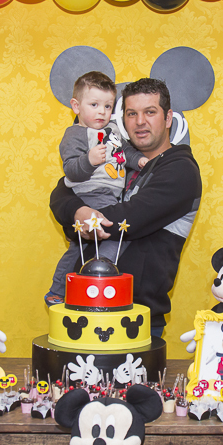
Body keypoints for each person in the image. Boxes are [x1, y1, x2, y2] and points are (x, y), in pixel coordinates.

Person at [49, 78, 202, 337]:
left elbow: (128, 219)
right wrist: (78, 211)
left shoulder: (180, 170)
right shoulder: (120, 159)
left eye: (150, 112)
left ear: (168, 118)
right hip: (83, 308)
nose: (140, 121)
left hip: (136, 317)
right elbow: (61, 191)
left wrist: (83, 216)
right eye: (131, 114)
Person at [45, 71, 147, 305]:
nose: (102, 112)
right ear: (76, 106)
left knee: (81, 247)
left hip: (112, 195)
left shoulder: (113, 130)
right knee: (113, 233)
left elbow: (125, 152)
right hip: (91, 194)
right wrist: (88, 160)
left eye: (107, 106)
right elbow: (71, 170)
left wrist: (138, 160)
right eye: (94, 105)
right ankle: (87, 276)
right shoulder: (75, 134)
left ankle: (70, 285)